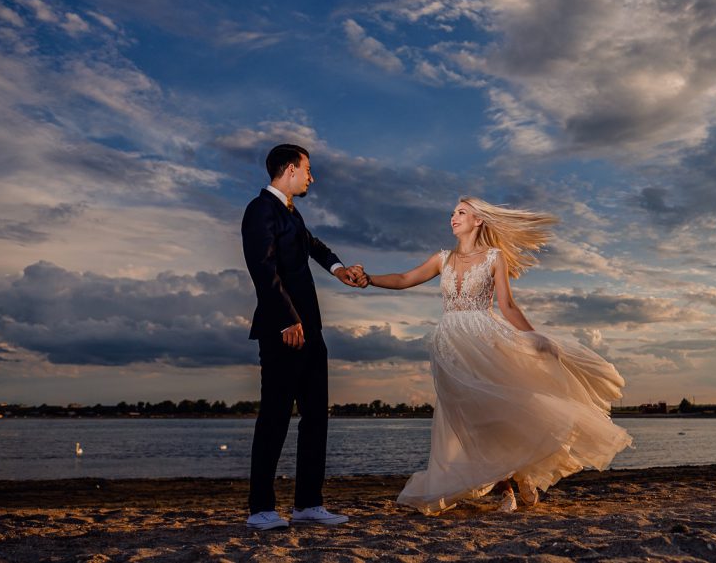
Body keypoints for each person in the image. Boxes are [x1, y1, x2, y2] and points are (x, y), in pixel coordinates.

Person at [362, 196, 632, 514]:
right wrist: (369, 279)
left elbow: (507, 306)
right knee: (472, 422)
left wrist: (533, 336)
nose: (453, 217)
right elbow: (405, 279)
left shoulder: (494, 258)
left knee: (500, 414)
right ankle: (510, 481)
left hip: (485, 342)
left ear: (478, 221)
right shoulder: (442, 258)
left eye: (462, 212)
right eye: (452, 212)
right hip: (449, 348)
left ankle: (517, 478)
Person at [240, 143, 366, 530]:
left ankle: (308, 504)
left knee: (316, 417)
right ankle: (260, 509)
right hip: (283, 332)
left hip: (311, 332)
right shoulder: (260, 209)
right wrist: (286, 320)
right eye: (308, 169)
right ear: (290, 169)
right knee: (275, 418)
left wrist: (340, 269)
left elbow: (312, 246)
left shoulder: (292, 214)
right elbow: (262, 269)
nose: (312, 177)